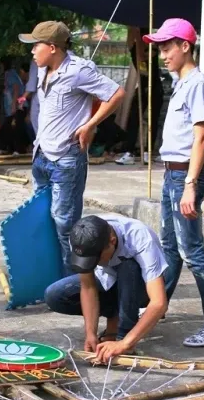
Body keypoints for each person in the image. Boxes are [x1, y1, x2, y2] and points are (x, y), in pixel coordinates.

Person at [142, 19, 204, 347]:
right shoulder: (180, 83)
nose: (163, 55)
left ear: (185, 46)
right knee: (169, 247)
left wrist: (190, 185)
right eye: (160, 49)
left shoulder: (198, 84)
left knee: (192, 250)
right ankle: (157, 307)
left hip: (185, 176)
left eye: (167, 48)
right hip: (173, 174)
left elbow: (201, 136)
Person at [18, 21, 125, 271]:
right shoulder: (43, 70)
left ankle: (75, 280)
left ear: (52, 47)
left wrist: (90, 125)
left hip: (66, 157)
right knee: (43, 218)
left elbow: (116, 94)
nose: (32, 52)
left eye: (35, 46)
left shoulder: (78, 70)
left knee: (65, 223)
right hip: (41, 154)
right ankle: (52, 273)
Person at [45, 215, 168, 362]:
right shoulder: (81, 237)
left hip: (140, 288)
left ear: (112, 241)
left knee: (128, 266)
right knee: (55, 295)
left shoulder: (140, 238)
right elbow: (88, 287)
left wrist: (124, 343)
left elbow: (159, 303)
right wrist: (90, 333)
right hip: (107, 281)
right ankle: (114, 319)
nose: (95, 263)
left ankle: (124, 334)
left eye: (97, 259)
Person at [116, 27, 164, 165]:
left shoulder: (152, 47)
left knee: (152, 120)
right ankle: (129, 151)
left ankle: (148, 152)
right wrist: (134, 32)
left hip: (154, 88)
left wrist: (140, 38)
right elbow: (130, 41)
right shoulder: (134, 48)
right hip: (142, 87)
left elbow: (146, 59)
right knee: (133, 118)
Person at [0, 55, 29, 154]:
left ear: (3, 64)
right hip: (11, 107)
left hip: (17, 106)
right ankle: (9, 148)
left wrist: (14, 105)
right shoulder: (9, 74)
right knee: (9, 127)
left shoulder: (11, 74)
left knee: (14, 127)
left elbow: (16, 89)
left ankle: (18, 149)